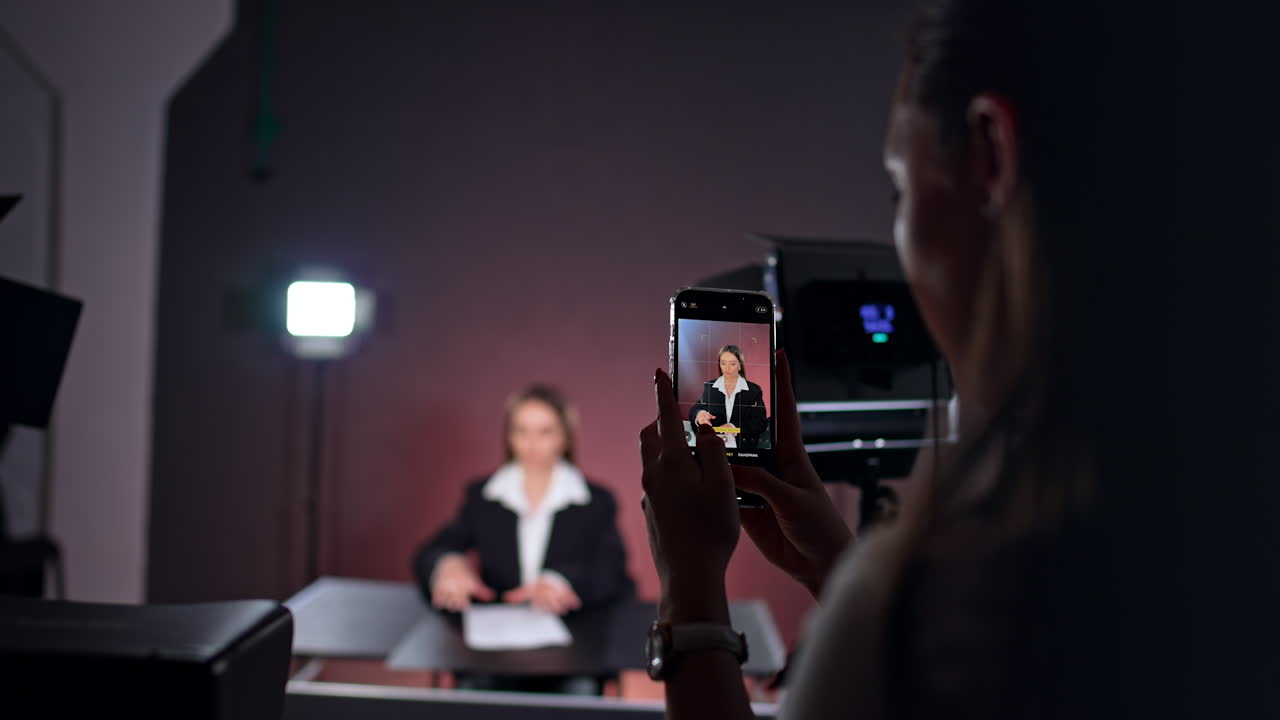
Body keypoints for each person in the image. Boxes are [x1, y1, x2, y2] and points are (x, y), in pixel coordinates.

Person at [638, 1, 1279, 718]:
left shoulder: (953, 606)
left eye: (901, 190)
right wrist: (837, 567)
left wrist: (690, 586)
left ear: (991, 151)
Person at [413, 385, 634, 694]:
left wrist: (563, 582)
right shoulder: (482, 496)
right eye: (521, 431)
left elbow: (613, 572)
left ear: (565, 437)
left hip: (573, 647)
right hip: (495, 649)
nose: (531, 443)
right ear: (509, 436)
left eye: (544, 432)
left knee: (580, 693)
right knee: (470, 693)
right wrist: (448, 565)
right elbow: (435, 549)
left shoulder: (596, 501)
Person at [687, 345, 768, 449]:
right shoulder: (710, 387)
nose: (727, 368)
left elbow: (760, 423)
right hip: (714, 447)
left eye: (732, 364)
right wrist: (700, 415)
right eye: (723, 363)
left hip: (742, 449)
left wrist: (733, 428)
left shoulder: (753, 391)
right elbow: (695, 409)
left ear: (740, 366)